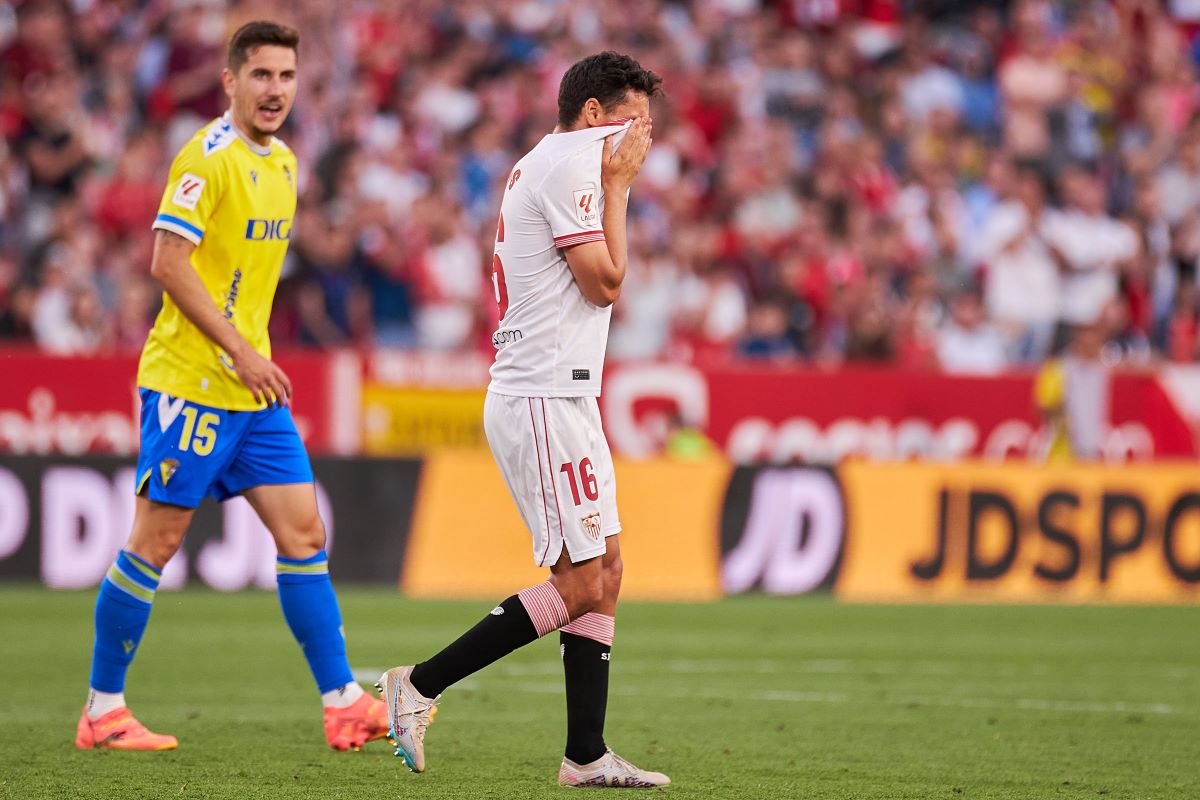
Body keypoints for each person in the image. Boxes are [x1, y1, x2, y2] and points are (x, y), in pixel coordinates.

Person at [75, 21, 387, 753]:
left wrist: (251, 357)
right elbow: (167, 262)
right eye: (261, 75)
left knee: (304, 534)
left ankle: (342, 701)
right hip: (193, 383)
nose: (275, 89)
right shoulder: (205, 158)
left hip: (251, 392)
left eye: (286, 76)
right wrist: (241, 352)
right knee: (156, 542)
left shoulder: (283, 163)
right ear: (230, 81)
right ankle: (102, 709)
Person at [376, 52, 670, 788]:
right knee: (579, 582)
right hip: (541, 394)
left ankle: (586, 754)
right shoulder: (574, 167)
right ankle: (418, 685)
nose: (644, 138)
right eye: (634, 121)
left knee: (607, 571)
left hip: (564, 394)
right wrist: (620, 187)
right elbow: (604, 284)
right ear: (594, 114)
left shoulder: (552, 161)